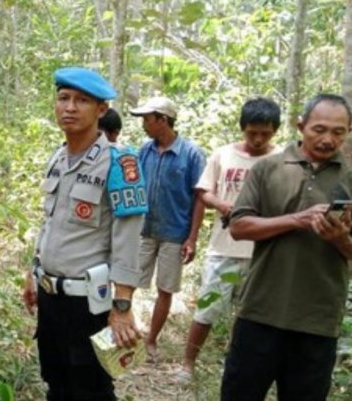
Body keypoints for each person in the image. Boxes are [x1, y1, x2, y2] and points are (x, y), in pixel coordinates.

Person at [23, 67, 146, 401]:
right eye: (63, 98)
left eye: (82, 100)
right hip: (51, 297)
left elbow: (128, 240)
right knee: (56, 381)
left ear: (101, 110)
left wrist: (122, 306)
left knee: (90, 388)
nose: (70, 107)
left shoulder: (121, 164)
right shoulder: (58, 158)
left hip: (89, 304)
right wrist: (32, 273)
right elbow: (49, 222)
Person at [220, 93, 352, 401]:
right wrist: (298, 220)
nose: (328, 139)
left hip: (318, 322)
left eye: (338, 131)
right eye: (319, 129)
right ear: (301, 125)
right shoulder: (268, 168)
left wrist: (340, 239)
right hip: (260, 312)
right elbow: (239, 227)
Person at [180, 97, 281, 379]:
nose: (258, 139)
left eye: (265, 133)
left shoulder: (281, 158)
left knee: (252, 316)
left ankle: (240, 366)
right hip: (224, 251)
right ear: (242, 128)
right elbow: (203, 192)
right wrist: (222, 204)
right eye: (252, 132)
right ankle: (188, 363)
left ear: (275, 130)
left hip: (263, 253)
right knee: (207, 307)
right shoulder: (223, 155)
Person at [130, 96, 205, 360]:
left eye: (147, 120)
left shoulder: (192, 155)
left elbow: (199, 198)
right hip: (143, 229)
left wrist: (192, 238)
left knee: (165, 288)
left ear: (163, 120)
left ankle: (151, 340)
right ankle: (125, 330)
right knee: (129, 281)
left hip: (175, 234)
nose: (144, 125)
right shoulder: (144, 151)